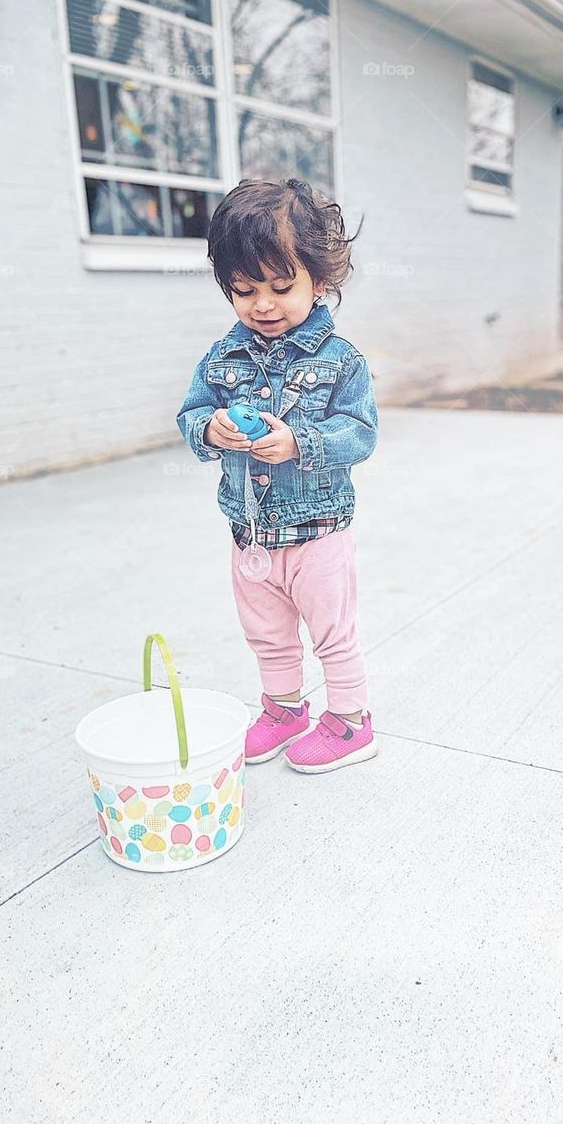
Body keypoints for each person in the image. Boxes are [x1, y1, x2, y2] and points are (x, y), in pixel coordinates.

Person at [176, 177, 379, 774]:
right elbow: (190, 414)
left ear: (321, 279)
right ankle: (284, 709)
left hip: (317, 533)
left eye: (281, 286)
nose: (263, 304)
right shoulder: (222, 358)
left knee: (331, 632)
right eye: (244, 290)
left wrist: (299, 442)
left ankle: (349, 720)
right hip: (250, 534)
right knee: (266, 634)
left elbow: (360, 434)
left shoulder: (341, 361)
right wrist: (211, 430)